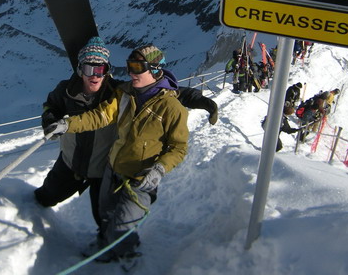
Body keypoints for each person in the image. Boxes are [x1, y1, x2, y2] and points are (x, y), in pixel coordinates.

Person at [35, 38, 218, 231]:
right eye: (89, 69)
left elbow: (163, 93)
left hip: (102, 167)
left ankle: (110, 251)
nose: (95, 75)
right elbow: (53, 106)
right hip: (71, 163)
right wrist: (52, 121)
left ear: (108, 70)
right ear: (80, 69)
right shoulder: (69, 90)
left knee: (105, 219)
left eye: (101, 70)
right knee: (47, 197)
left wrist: (202, 101)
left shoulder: (118, 91)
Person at [43, 44, 189, 266]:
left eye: (138, 67)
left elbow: (178, 147)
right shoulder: (125, 93)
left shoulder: (171, 108)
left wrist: (159, 169)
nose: (131, 72)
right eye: (130, 66)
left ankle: (128, 255)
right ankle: (105, 244)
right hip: (112, 169)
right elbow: (99, 116)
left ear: (156, 69)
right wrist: (67, 124)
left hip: (141, 178)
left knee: (123, 225)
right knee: (105, 214)